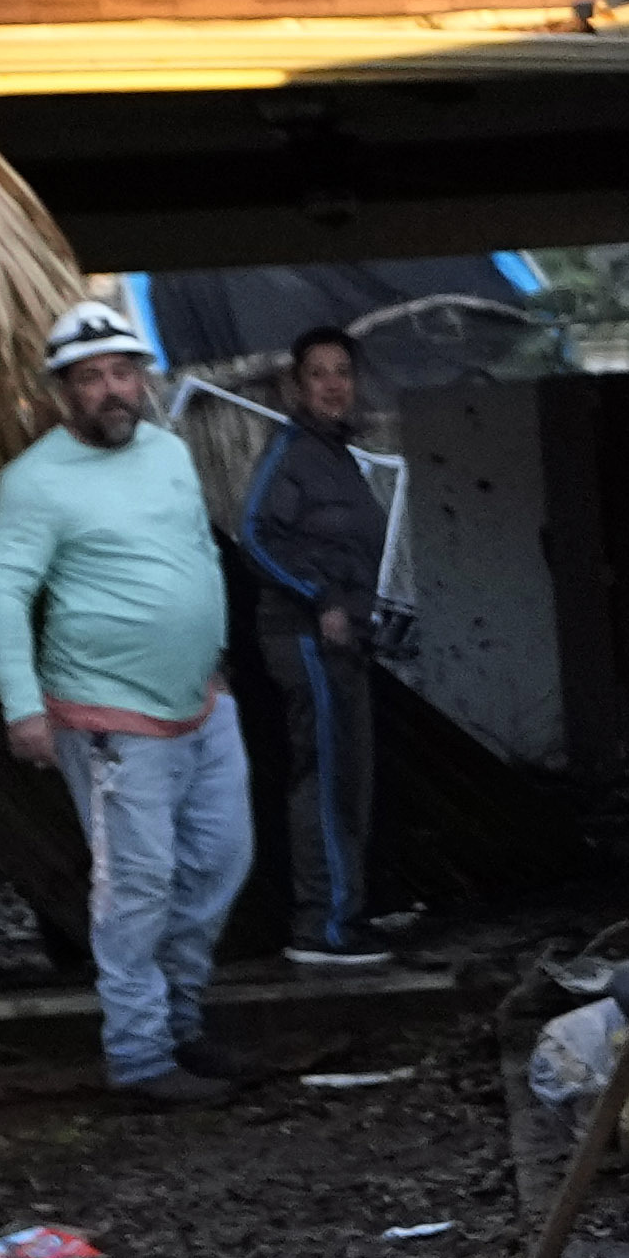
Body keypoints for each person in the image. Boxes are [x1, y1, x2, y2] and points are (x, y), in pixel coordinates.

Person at [0, 299, 251, 1108]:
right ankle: (138, 1058)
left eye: (122, 373)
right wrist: (23, 707)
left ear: (143, 378)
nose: (110, 390)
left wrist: (217, 657)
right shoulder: (33, 482)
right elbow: (1, 592)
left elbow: (197, 553)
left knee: (220, 863)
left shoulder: (168, 453)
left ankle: (179, 1021)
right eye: (90, 378)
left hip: (202, 701)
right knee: (138, 884)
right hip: (107, 719)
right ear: (65, 392)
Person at [239, 324, 405, 969]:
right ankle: (323, 927)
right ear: (296, 385)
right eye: (319, 374)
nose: (333, 385)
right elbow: (255, 535)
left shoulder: (337, 455)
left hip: (345, 643)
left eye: (342, 372)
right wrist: (323, 598)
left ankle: (342, 912)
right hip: (305, 639)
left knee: (347, 777)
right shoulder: (290, 452)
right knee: (328, 779)